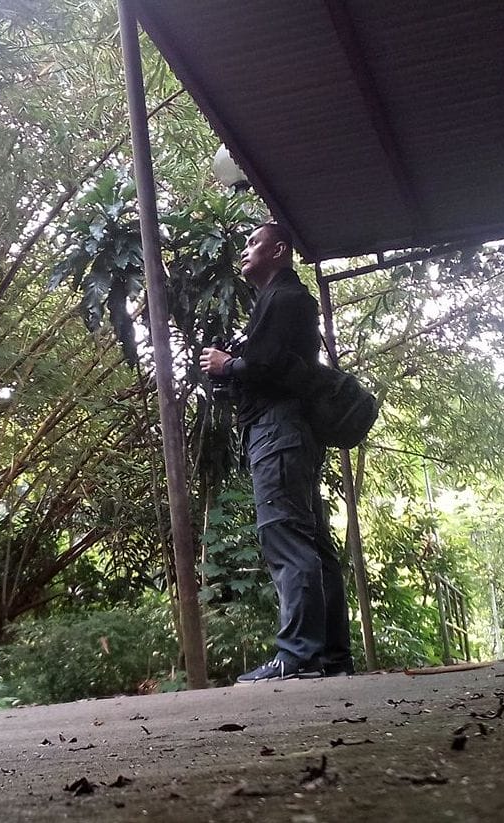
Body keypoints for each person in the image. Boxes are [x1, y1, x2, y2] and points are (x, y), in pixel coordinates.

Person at [200, 223, 354, 683]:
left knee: (285, 535)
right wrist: (237, 371)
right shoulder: (283, 300)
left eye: (254, 243)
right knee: (311, 541)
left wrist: (227, 365)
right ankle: (331, 657)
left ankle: (297, 656)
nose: (244, 250)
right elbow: (279, 365)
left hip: (278, 431)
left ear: (279, 250)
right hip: (291, 431)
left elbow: (271, 367)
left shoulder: (284, 298)